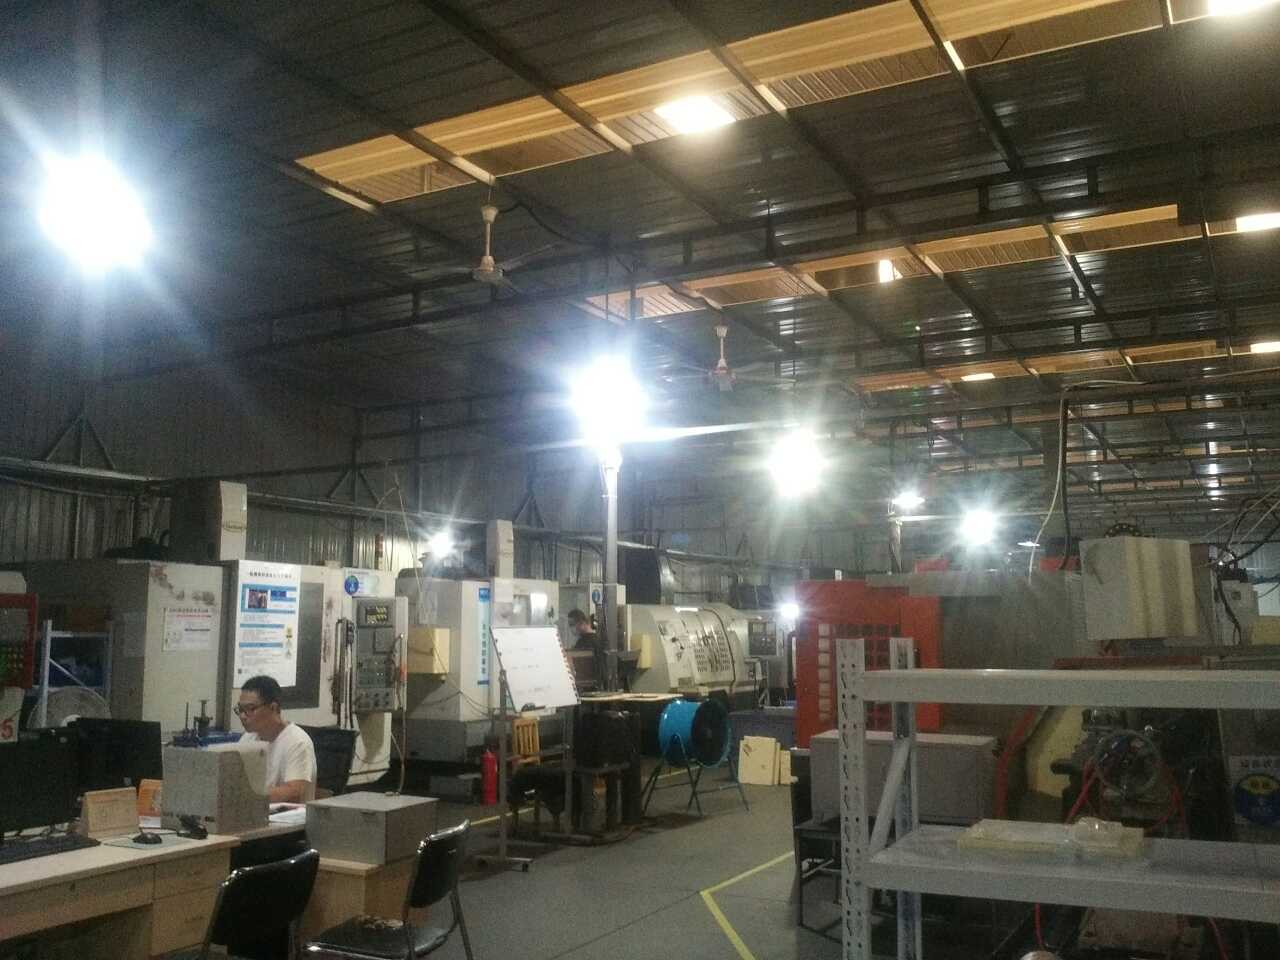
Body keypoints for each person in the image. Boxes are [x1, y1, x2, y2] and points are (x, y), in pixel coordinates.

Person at [235, 674, 317, 803]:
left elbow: (294, 792)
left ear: (273, 708)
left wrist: (248, 795)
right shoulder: (248, 738)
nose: (243, 716)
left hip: (286, 814)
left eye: (250, 709)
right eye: (240, 709)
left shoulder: (297, 742)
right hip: (255, 810)